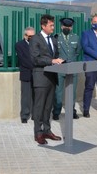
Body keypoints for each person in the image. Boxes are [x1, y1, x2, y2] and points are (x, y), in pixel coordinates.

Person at [29, 14, 63, 145]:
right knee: (39, 107)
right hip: (40, 77)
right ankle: (38, 133)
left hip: (52, 78)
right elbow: (35, 59)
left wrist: (60, 61)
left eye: (53, 25)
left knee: (48, 107)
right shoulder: (35, 39)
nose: (53, 28)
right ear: (43, 26)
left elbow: (56, 55)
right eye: (51, 25)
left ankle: (47, 130)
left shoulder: (53, 40)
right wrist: (52, 60)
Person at [52, 17, 81, 120]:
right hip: (60, 68)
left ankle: (71, 111)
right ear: (61, 26)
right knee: (58, 92)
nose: (67, 28)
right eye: (65, 26)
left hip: (72, 68)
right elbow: (54, 52)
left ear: (71, 27)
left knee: (72, 92)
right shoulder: (56, 37)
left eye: (69, 26)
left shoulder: (76, 38)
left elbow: (77, 52)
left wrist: (70, 60)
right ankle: (56, 111)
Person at [15, 26, 35, 124]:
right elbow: (22, 60)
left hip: (37, 74)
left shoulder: (37, 44)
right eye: (29, 36)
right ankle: (24, 115)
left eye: (33, 36)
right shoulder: (19, 45)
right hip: (26, 73)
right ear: (25, 35)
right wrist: (35, 66)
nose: (31, 38)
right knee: (26, 96)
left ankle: (35, 114)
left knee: (36, 95)